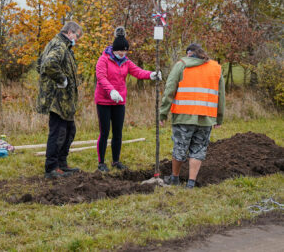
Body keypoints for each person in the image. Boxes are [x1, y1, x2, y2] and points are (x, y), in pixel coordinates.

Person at [94, 26, 162, 172]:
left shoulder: (125, 61)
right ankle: (101, 163)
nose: (123, 53)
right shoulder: (103, 60)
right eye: (120, 51)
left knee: (118, 132)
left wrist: (151, 74)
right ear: (114, 50)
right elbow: (101, 77)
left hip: (119, 102)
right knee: (105, 132)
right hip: (104, 101)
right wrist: (111, 91)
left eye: (125, 51)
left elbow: (137, 71)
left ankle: (116, 161)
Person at [160, 43, 225, 188]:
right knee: (198, 149)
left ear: (188, 53)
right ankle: (191, 183)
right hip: (206, 117)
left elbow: (169, 90)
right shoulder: (216, 68)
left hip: (184, 116)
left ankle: (175, 179)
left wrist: (163, 113)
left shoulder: (181, 65)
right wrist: (219, 118)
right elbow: (221, 96)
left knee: (180, 147)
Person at [36, 21, 83, 179]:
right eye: (77, 36)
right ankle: (51, 167)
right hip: (57, 99)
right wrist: (61, 79)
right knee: (58, 133)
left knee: (70, 130)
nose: (77, 39)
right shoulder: (59, 45)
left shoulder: (62, 45)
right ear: (70, 32)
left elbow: (39, 64)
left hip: (65, 100)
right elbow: (48, 64)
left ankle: (62, 163)